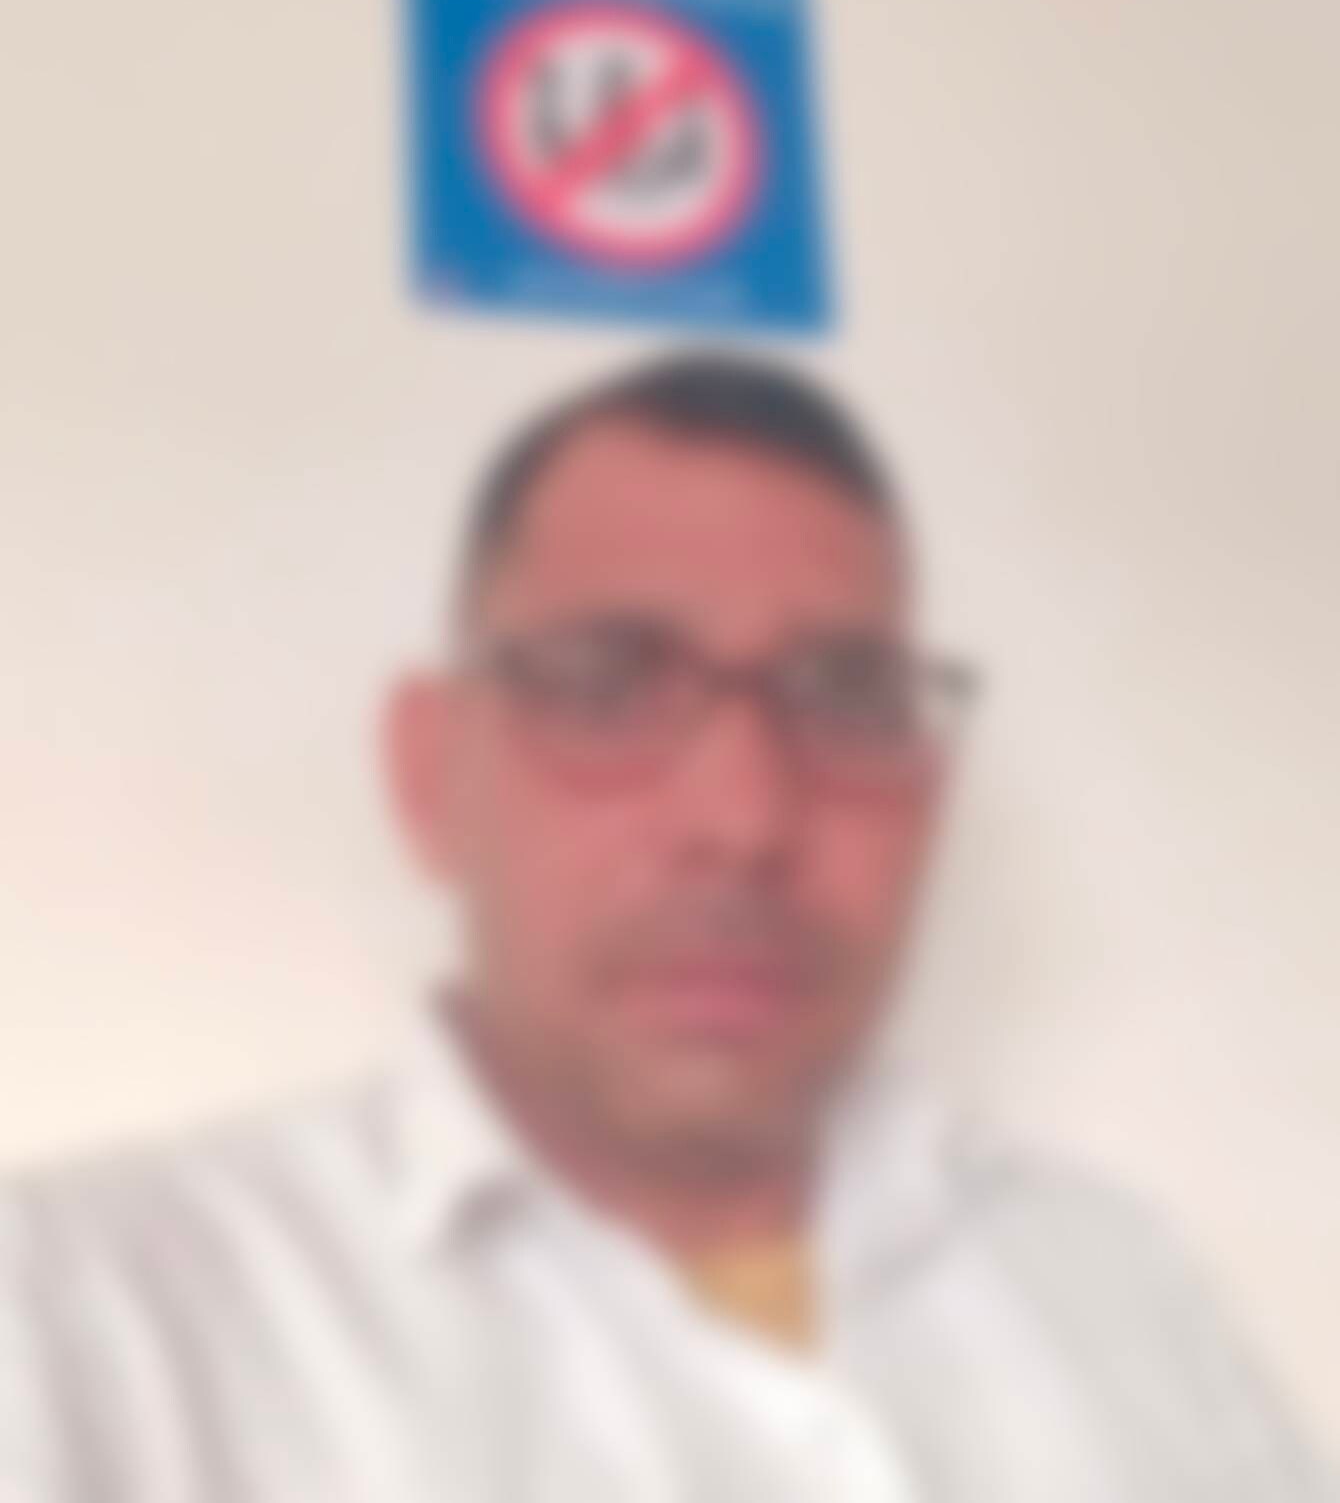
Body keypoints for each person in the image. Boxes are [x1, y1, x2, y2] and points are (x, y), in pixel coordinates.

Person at [1, 352, 1330, 1503]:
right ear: (429, 774)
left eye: (845, 696)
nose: (745, 819)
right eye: (605, 684)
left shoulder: (1117, 1283)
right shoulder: (82, 1326)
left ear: (930, 791)